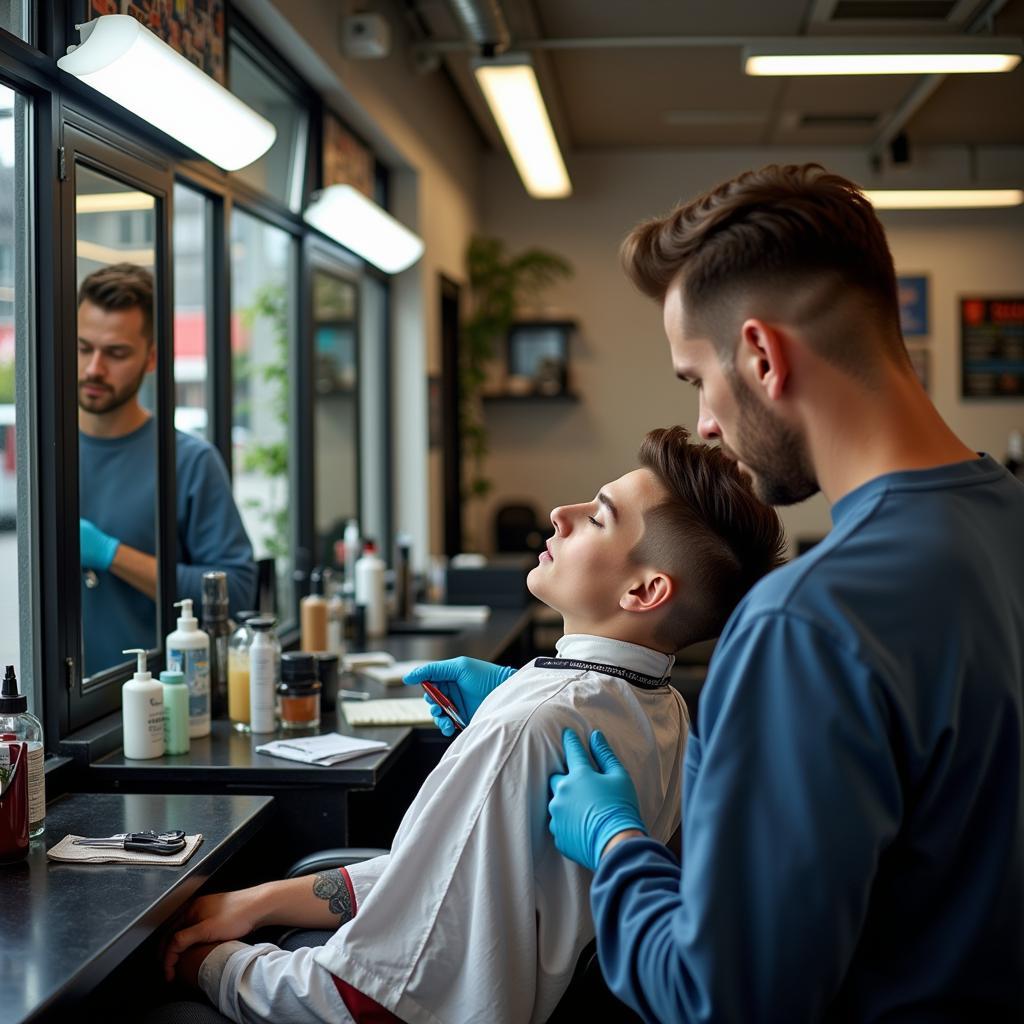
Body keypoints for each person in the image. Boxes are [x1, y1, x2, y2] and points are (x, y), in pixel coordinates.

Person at [445, 164, 1024, 1020]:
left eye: (695, 380)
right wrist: (541, 709)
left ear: (760, 356)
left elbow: (718, 999)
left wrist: (618, 847)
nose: (708, 423)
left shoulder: (807, 624)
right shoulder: (1004, 522)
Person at [156, 426, 785, 1024]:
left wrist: (218, 968)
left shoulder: (530, 726)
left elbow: (368, 1003)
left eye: (596, 517)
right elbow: (451, 880)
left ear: (644, 592)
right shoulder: (661, 706)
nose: (559, 515)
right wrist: (261, 900)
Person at [78, 263, 256, 675]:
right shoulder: (43, 461)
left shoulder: (190, 462)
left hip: (162, 703)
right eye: (84, 347)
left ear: (152, 357)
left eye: (116, 353)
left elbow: (239, 593)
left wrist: (111, 554)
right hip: (60, 715)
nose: (94, 369)